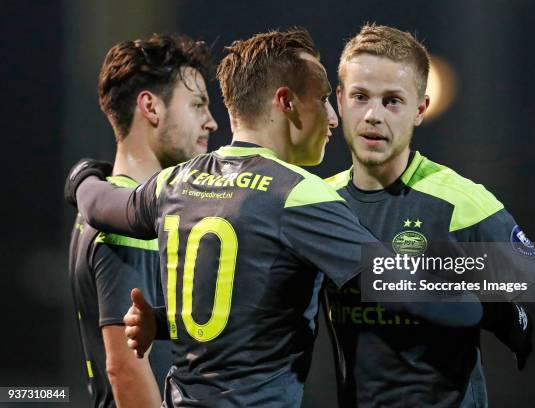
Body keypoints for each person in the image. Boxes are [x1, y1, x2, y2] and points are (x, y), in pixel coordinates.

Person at [65, 28, 483, 407]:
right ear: (285, 102)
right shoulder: (299, 195)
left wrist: (81, 176)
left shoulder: (175, 182)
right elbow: (422, 298)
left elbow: (100, 206)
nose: (334, 118)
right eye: (322, 99)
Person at [323, 23, 535, 408]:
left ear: (420, 109)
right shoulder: (319, 204)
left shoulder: (462, 204)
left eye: (392, 101)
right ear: (339, 100)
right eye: (360, 97)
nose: (373, 115)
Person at [68, 33, 218, 408]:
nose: (211, 122)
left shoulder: (105, 201)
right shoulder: (128, 226)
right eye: (198, 105)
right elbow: (126, 370)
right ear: (150, 107)